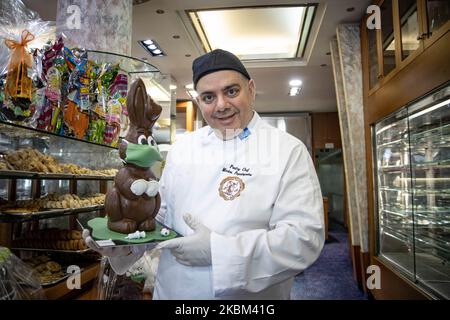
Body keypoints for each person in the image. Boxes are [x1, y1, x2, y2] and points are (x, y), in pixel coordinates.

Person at [83, 49, 324, 299]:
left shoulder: (287, 150)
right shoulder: (182, 148)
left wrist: (218, 251)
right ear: (199, 102)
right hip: (172, 292)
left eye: (231, 91)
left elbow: (303, 240)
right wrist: (122, 244)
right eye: (209, 97)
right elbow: (159, 214)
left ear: (251, 89)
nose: (221, 105)